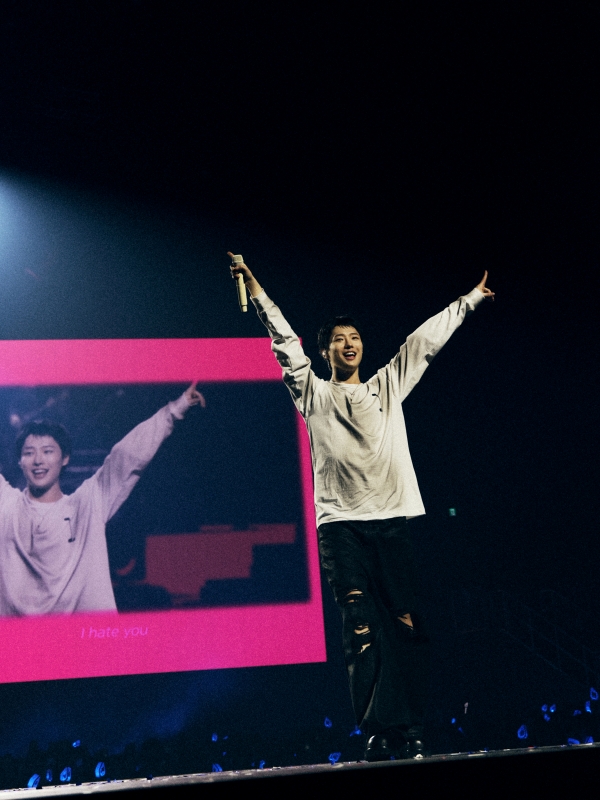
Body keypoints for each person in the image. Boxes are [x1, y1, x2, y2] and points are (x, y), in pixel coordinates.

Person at [228, 251, 494, 761]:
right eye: (338, 339)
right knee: (360, 627)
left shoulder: (386, 387)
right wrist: (255, 286)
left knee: (407, 624)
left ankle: (410, 726)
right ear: (325, 350)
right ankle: (377, 729)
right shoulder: (312, 393)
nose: (349, 344)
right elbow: (284, 340)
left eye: (354, 337)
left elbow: (423, 343)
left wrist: (470, 300)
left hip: (391, 523)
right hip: (341, 527)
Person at [0, 383, 205, 616]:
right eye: (29, 453)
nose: (38, 460)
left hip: (83, 635)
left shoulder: (87, 505)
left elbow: (128, 455)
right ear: (19, 461)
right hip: (18, 637)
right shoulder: (6, 506)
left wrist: (175, 410)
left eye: (47, 451)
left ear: (65, 458)